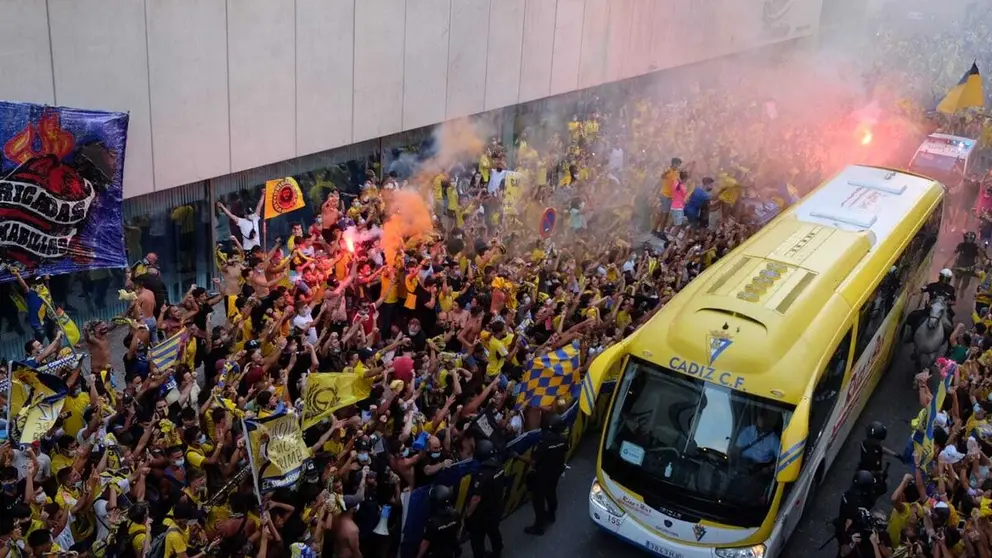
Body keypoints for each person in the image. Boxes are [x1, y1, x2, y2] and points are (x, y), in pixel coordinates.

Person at [522, 413, 567, 535]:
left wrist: (519, 457)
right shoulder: (563, 439)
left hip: (542, 475)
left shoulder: (543, 443)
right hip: (556, 473)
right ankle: (551, 515)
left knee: (538, 501)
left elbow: (533, 461)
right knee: (552, 493)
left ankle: (538, 526)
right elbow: (564, 454)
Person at [465, 439, 504, 558]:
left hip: (482, 513)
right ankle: (498, 550)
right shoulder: (499, 465)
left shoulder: (482, 475)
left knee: (477, 538)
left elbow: (476, 499)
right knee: (494, 531)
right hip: (496, 506)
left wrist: (468, 514)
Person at [418, 485, 461, 558]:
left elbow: (425, 543)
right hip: (450, 550)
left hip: (436, 553)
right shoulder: (455, 514)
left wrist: (418, 556)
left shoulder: (433, 523)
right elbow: (457, 530)